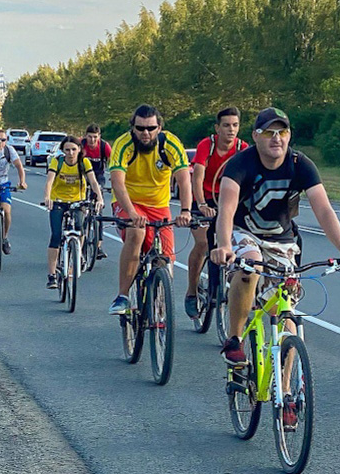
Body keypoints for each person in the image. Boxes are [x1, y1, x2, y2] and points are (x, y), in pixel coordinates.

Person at [211, 107, 340, 369]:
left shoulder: (300, 164)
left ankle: (288, 398)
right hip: (243, 232)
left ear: (289, 135)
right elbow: (226, 207)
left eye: (282, 132)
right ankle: (234, 339)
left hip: (282, 240)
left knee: (285, 317)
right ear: (255, 136)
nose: (276, 138)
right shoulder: (240, 164)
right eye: (268, 132)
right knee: (250, 263)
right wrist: (224, 245)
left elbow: (324, 208)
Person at [106, 105, 192, 314]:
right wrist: (132, 213)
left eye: (151, 128)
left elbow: (183, 178)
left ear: (159, 127)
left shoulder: (170, 143)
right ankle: (123, 296)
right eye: (140, 128)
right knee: (136, 233)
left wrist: (186, 210)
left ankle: (161, 306)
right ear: (133, 128)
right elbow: (117, 182)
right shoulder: (123, 144)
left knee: (165, 259)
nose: (146, 133)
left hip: (159, 205)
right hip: (129, 202)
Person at [184, 106, 248, 319]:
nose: (231, 130)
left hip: (229, 200)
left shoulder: (243, 148)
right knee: (203, 243)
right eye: (227, 125)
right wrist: (202, 203)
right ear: (217, 128)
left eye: (235, 125)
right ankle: (192, 293)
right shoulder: (207, 145)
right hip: (205, 198)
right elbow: (197, 176)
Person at [42, 136, 103, 289]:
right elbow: (49, 181)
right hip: (58, 201)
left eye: (74, 149)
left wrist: (100, 199)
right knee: (56, 236)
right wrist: (47, 197)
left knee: (80, 229)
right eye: (67, 150)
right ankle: (52, 275)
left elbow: (93, 182)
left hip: (78, 201)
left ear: (79, 150)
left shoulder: (84, 162)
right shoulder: (58, 162)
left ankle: (76, 257)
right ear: (63, 151)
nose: (70, 153)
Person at [81, 124, 113, 260]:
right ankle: (79, 240)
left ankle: (98, 246)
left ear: (99, 137)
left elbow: (113, 162)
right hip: (82, 175)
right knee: (81, 207)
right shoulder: (81, 145)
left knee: (98, 212)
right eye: (90, 137)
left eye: (95, 137)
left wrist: (114, 175)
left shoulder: (104, 146)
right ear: (85, 136)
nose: (92, 140)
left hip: (98, 176)